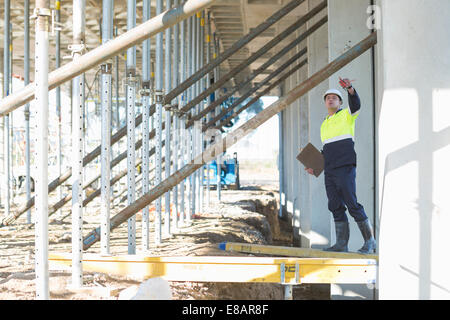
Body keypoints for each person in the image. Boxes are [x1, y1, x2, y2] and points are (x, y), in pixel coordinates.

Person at [305, 77, 376, 254]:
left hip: (345, 166)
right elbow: (327, 149)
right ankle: (341, 244)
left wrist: (350, 89)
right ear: (325, 103)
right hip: (329, 169)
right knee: (335, 205)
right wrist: (315, 166)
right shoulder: (324, 124)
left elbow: (356, 104)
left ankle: (370, 242)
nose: (331, 99)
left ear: (340, 102)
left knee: (352, 203)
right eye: (328, 98)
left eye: (334, 98)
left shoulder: (347, 115)